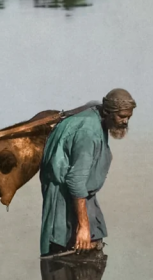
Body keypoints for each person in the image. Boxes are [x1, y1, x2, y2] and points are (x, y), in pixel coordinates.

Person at [39, 89, 137, 257]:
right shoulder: (88, 131)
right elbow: (75, 181)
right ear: (107, 112)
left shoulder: (96, 117)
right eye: (121, 116)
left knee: (91, 248)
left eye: (129, 117)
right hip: (64, 197)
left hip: (80, 195)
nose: (125, 121)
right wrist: (83, 226)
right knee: (64, 254)